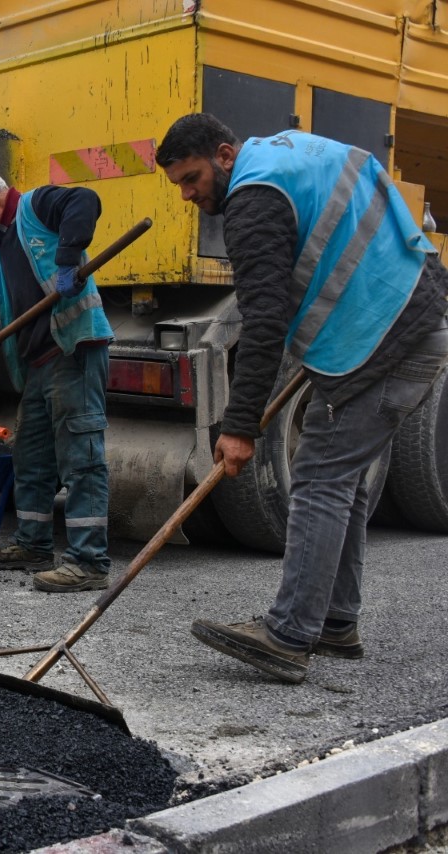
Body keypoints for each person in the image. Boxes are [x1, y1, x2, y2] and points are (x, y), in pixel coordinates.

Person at [157, 114, 448, 683]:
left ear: (224, 154)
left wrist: (239, 427)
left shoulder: (253, 200)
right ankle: (335, 622)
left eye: (192, 178)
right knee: (341, 475)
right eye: (179, 185)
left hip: (388, 337)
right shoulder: (289, 154)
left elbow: (264, 322)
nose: (188, 195)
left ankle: (289, 634)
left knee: (318, 476)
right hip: (403, 319)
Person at [0, 163, 114, 592]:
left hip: (73, 350)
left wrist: (67, 261)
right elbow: (0, 317)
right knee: (32, 458)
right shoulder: (3, 246)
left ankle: (89, 563)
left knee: (81, 457)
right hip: (39, 364)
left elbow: (85, 201)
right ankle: (33, 545)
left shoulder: (36, 206)